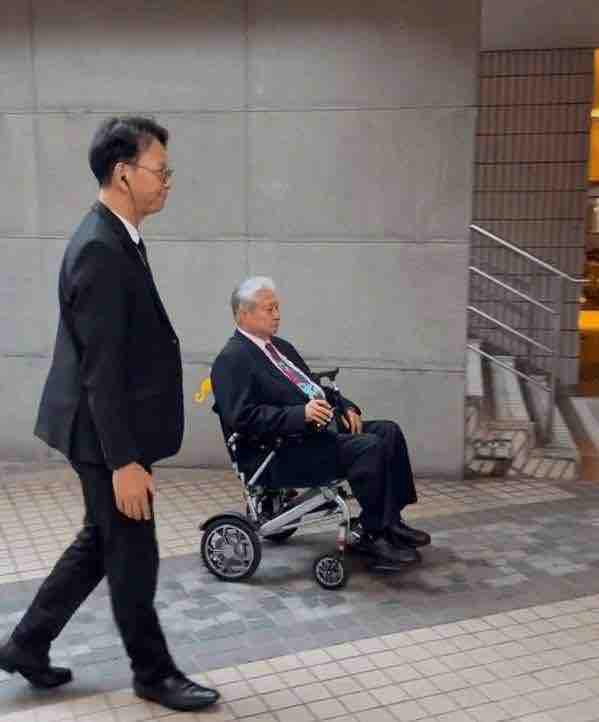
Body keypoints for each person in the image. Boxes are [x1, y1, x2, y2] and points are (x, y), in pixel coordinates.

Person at [0, 117, 219, 713]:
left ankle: (26, 643)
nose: (168, 182)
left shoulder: (117, 237)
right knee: (133, 552)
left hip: (103, 427)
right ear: (124, 173)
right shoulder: (100, 247)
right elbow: (101, 368)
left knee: (102, 540)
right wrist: (124, 461)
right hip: (102, 435)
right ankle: (153, 673)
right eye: (160, 171)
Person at [211, 277, 431, 572]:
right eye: (269, 309)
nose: (277, 315)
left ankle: (390, 521)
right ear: (244, 314)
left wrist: (347, 406)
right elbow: (242, 418)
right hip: (276, 453)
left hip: (312, 435)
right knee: (368, 447)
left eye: (277, 308)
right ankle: (373, 534)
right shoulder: (232, 359)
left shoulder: (280, 348)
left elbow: (313, 388)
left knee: (388, 431)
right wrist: (300, 415)